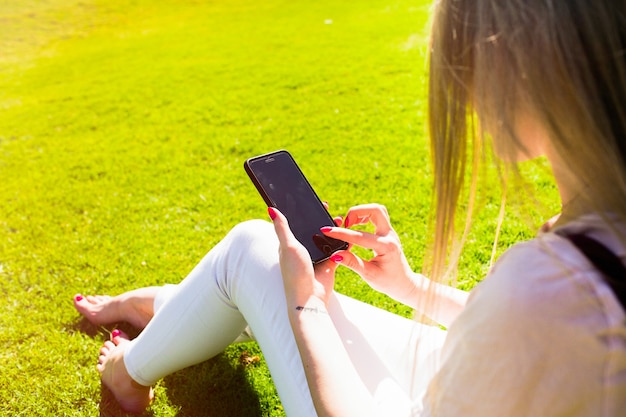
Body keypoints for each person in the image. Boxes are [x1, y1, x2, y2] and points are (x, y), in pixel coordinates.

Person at [74, 0, 626, 415]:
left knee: (251, 250)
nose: (467, 94)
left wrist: (306, 308)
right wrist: (409, 288)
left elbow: (539, 313)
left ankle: (130, 369)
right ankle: (175, 307)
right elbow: (525, 326)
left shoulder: (551, 290)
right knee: (256, 267)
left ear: (529, 71)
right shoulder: (584, 259)